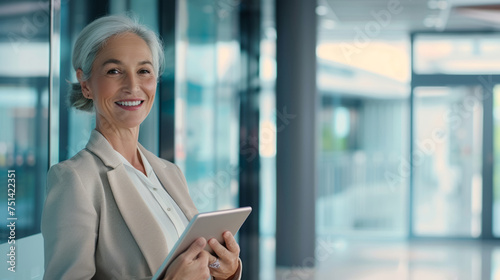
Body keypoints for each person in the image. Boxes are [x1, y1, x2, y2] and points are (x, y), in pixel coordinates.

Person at [41, 15, 242, 280]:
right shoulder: (74, 179)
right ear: (86, 83)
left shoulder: (169, 173)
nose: (133, 86)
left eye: (144, 71)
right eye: (114, 71)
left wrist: (222, 271)